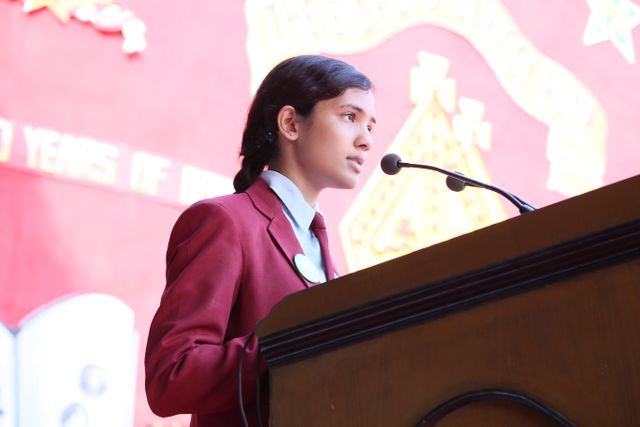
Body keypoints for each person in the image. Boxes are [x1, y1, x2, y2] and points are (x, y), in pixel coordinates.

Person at [144, 54, 376, 427]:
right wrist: (293, 343)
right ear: (290, 123)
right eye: (350, 117)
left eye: (370, 126)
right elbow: (171, 376)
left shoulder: (323, 254)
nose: (366, 141)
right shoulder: (225, 222)